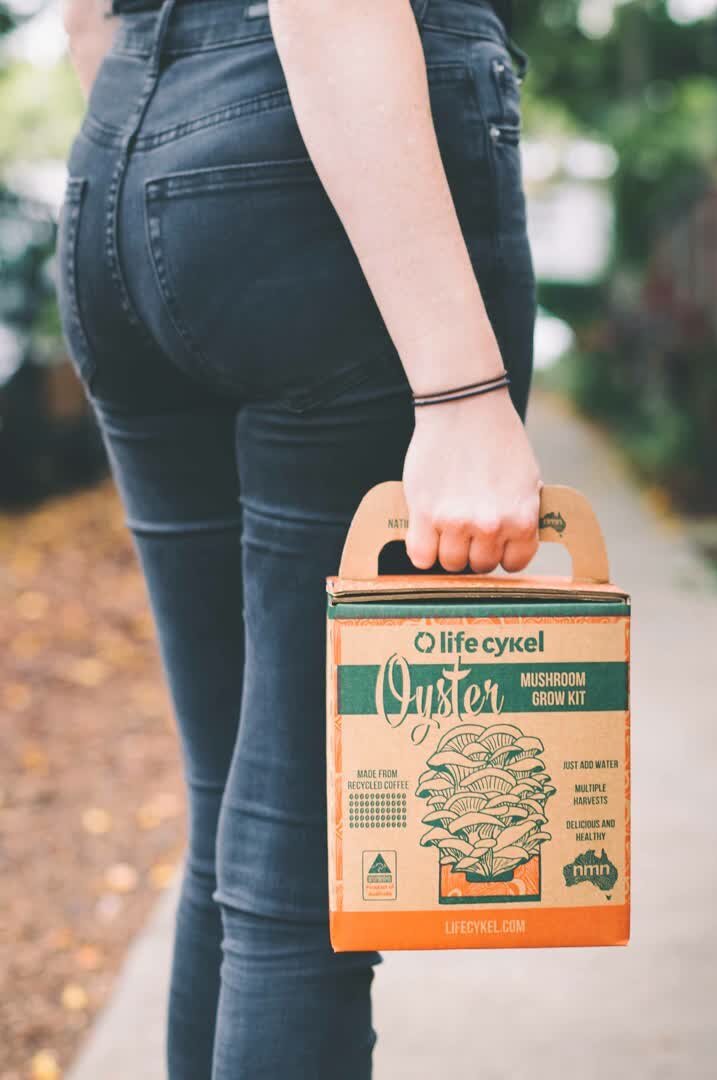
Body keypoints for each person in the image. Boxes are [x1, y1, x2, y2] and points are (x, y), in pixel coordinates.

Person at [57, 0, 541, 1076]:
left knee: (234, 814)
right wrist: (461, 391)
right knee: (303, 873)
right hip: (327, 164)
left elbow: (86, 14)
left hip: (122, 152)